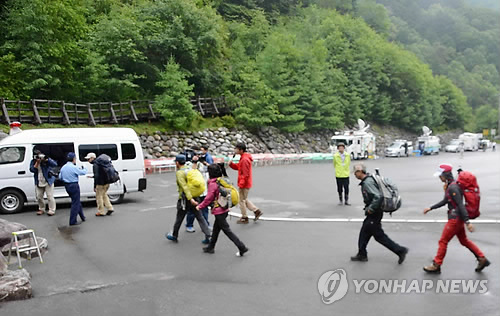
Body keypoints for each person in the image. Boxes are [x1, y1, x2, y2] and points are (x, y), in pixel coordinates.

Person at [422, 164, 490, 274]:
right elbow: (445, 201)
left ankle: (436, 264)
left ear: (446, 175)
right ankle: (482, 258)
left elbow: (460, 205)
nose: (439, 178)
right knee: (464, 240)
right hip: (457, 218)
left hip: (455, 219)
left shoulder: (453, 187)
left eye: (441, 175)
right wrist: (431, 208)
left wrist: (467, 222)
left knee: (443, 241)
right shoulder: (451, 186)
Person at [350, 163, 408, 263]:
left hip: (374, 213)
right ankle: (362, 253)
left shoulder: (367, 183)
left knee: (379, 236)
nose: (354, 175)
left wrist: (370, 209)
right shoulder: (369, 179)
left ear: (360, 172)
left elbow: (378, 196)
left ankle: (400, 250)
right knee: (364, 232)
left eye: (355, 173)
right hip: (374, 212)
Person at [197, 164, 248, 256]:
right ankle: (211, 247)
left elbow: (209, 198)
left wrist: (200, 206)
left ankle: (241, 247)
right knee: (216, 229)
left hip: (219, 210)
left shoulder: (213, 184)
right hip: (225, 208)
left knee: (227, 231)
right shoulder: (223, 180)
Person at [166, 154, 211, 243]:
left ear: (177, 163)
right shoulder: (190, 169)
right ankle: (208, 235)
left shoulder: (180, 173)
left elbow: (184, 187)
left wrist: (190, 199)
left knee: (179, 218)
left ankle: (174, 236)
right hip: (196, 196)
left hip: (185, 199)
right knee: (200, 217)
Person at [229, 143, 262, 224]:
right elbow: (239, 168)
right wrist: (231, 164)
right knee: (244, 198)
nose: (235, 150)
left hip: (244, 183)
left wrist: (241, 183)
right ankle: (256, 210)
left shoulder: (244, 159)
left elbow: (245, 174)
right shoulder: (243, 158)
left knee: (241, 200)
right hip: (245, 182)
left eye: (236, 149)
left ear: (241, 150)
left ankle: (244, 217)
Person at [59, 152, 87, 226]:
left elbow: (60, 177)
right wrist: (85, 167)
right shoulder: (73, 167)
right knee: (75, 203)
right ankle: (72, 221)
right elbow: (83, 172)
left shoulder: (63, 167)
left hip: (67, 186)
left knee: (76, 201)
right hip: (74, 185)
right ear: (74, 159)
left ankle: (82, 216)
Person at [185, 153, 210, 233]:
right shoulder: (188, 164)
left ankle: (206, 224)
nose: (198, 156)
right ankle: (189, 225)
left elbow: (208, 171)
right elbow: (190, 172)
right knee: (192, 210)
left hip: (203, 190)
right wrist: (194, 162)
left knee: (205, 209)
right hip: (194, 191)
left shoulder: (202, 164)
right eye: (196, 155)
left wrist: (204, 163)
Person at [29, 150, 58, 216]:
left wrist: (46, 159)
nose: (39, 158)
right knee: (39, 196)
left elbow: (55, 164)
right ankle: (41, 209)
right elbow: (32, 170)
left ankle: (52, 210)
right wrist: (37, 162)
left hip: (48, 180)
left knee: (50, 196)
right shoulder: (33, 161)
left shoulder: (45, 160)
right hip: (39, 181)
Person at [86, 153, 115, 217]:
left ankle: (101, 211)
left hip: (100, 183)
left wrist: (94, 186)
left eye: (88, 159)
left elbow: (97, 176)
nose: (88, 161)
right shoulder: (102, 164)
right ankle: (110, 208)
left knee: (99, 197)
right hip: (107, 182)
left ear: (92, 158)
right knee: (104, 195)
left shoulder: (95, 165)